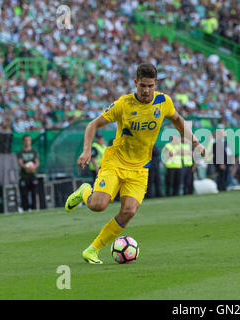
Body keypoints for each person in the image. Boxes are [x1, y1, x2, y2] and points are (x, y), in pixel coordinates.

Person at [64, 63, 205, 264]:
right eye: (143, 86)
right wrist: (86, 150)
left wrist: (196, 143)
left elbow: (178, 120)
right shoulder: (123, 104)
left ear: (156, 84)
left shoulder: (163, 102)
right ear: (135, 83)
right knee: (98, 205)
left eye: (150, 86)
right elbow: (92, 124)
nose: (146, 91)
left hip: (140, 169)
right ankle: (85, 191)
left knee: (129, 211)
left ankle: (92, 250)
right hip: (115, 162)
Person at [16, 135, 40, 211]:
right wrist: (26, 167)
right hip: (24, 176)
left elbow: (37, 162)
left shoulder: (34, 151)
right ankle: (25, 208)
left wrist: (33, 168)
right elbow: (20, 162)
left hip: (32, 175)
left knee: (34, 193)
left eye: (29, 140)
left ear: (31, 141)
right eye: (26, 140)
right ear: (23, 141)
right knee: (24, 194)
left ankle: (34, 208)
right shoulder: (20, 152)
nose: (27, 142)